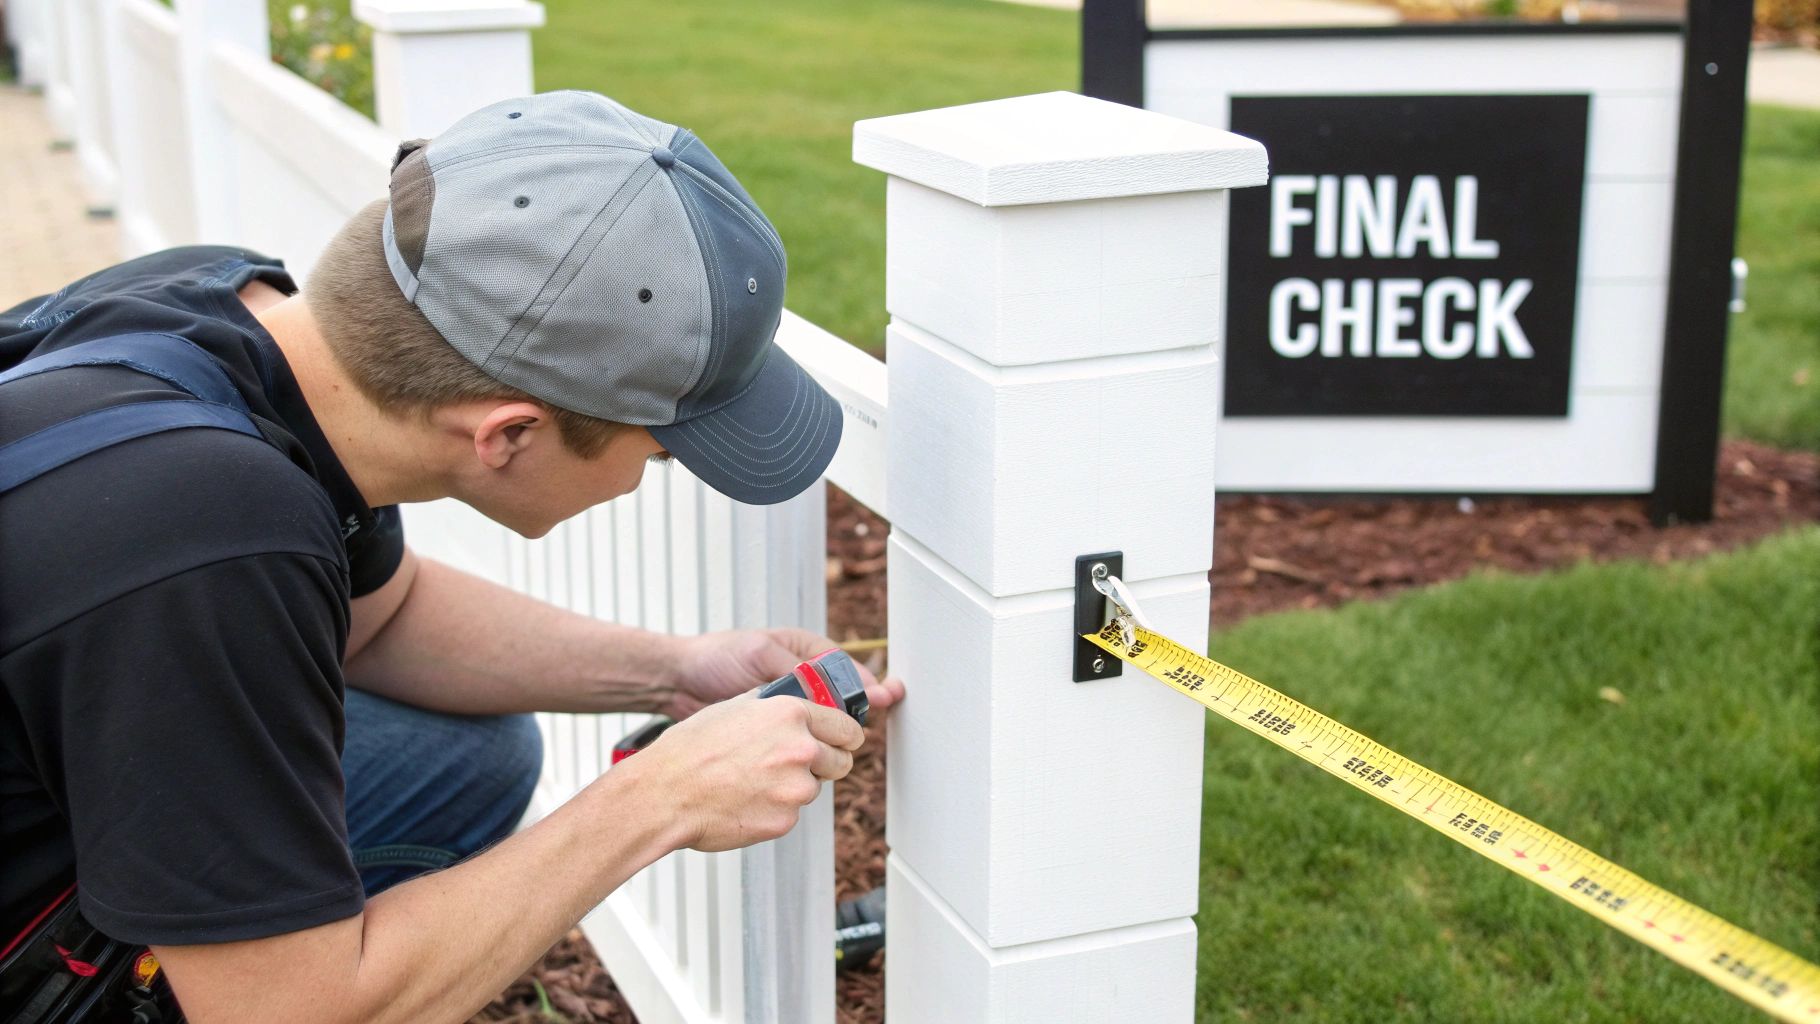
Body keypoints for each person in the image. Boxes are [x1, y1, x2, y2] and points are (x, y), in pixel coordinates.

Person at [0, 89, 903, 1023]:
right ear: (508, 434)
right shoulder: (207, 544)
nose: (655, 475)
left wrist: (673, 671)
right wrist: (656, 803)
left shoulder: (224, 315)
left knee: (460, 757)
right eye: (664, 452)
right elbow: (284, 1017)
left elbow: (380, 619)